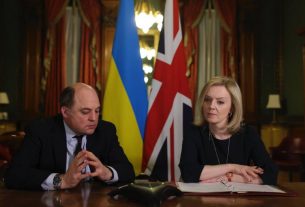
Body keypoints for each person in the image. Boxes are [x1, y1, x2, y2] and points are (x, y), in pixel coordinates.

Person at [4, 83, 135, 190]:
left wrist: (107, 172)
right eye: (85, 112)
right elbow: (14, 175)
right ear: (65, 112)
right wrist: (62, 180)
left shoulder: (105, 130)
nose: (94, 118)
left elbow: (128, 171)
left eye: (97, 110)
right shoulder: (41, 130)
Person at [179, 76, 278, 185]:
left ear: (232, 107)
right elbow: (188, 172)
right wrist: (232, 167)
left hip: (239, 200)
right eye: (207, 99)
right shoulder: (194, 132)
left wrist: (229, 177)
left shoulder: (248, 133)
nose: (211, 106)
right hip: (202, 199)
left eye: (220, 102)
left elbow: (271, 173)